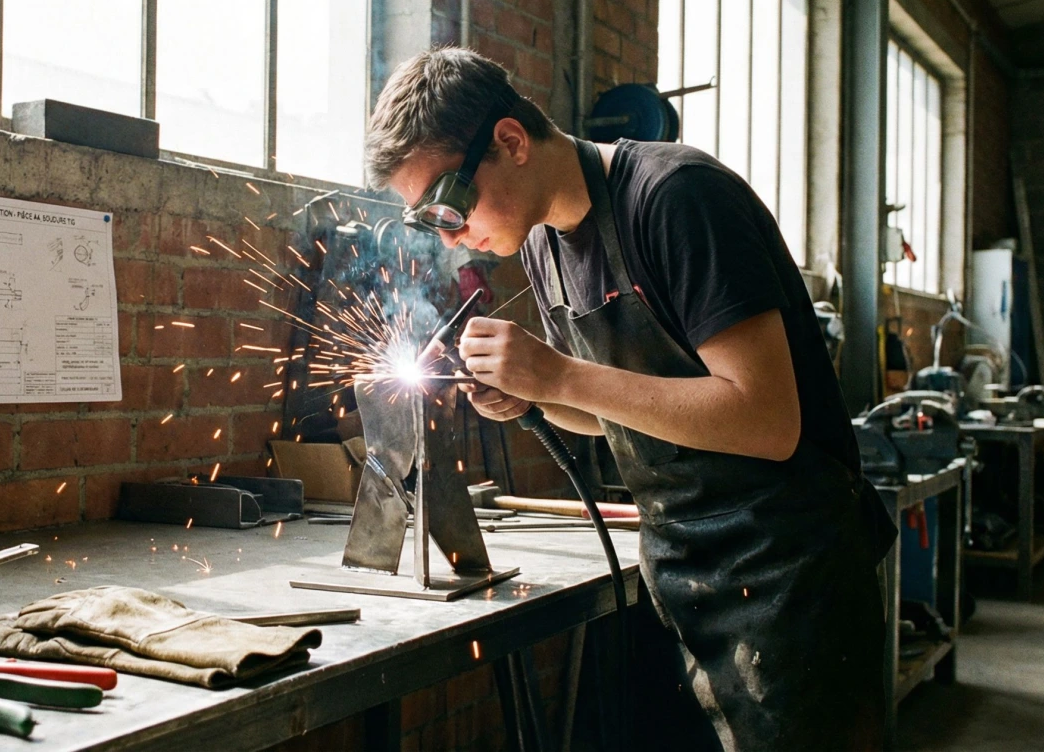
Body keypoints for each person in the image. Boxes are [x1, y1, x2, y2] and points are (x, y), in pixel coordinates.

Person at [366, 47, 897, 751]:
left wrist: (556, 376)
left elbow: (767, 419)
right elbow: (621, 412)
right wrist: (526, 396)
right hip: (680, 572)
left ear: (511, 141)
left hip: (793, 579)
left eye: (449, 203)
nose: (452, 233)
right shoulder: (543, 244)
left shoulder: (677, 198)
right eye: (427, 221)